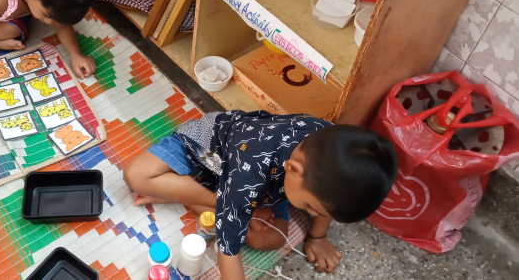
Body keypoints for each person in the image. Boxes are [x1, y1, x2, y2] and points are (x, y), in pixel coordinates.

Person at [124, 110, 398, 278]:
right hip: (205, 152)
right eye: (310, 208)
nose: (312, 215)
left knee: (270, 240)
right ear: (294, 168)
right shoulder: (252, 169)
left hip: (261, 189)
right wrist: (246, 209)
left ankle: (190, 194)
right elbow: (228, 250)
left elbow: (328, 201)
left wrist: (319, 236)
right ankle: (210, 201)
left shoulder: (327, 143)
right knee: (136, 176)